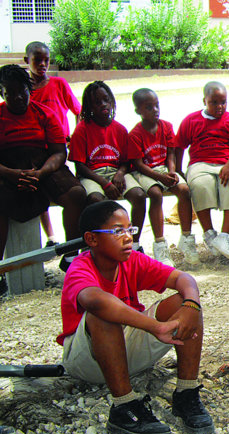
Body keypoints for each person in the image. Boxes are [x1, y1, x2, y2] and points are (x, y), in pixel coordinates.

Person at [58, 201, 213, 434]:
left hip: (123, 350)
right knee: (104, 312)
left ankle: (186, 393)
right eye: (117, 231)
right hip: (87, 360)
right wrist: (156, 327)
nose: (128, 238)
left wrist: (192, 304)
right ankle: (123, 406)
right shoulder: (80, 268)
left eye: (130, 230)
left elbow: (183, 278)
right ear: (91, 239)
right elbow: (95, 302)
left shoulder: (132, 261)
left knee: (185, 304)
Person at [0, 64, 86, 285]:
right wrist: (11, 174)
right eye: (10, 93)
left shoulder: (44, 113)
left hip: (43, 164)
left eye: (23, 91)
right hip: (6, 168)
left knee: (76, 193)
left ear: (30, 89)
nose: (18, 97)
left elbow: (59, 152)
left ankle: (70, 256)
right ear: (2, 92)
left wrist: (40, 173)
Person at [68, 81, 146, 264]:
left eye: (106, 100)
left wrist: (119, 174)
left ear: (111, 101)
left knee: (139, 195)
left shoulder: (119, 129)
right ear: (89, 106)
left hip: (116, 171)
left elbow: (126, 161)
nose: (103, 104)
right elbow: (80, 166)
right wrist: (105, 183)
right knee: (96, 200)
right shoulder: (82, 130)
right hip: (92, 173)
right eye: (97, 102)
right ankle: (102, 248)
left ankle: (133, 244)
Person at [175, 81, 229, 261]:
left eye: (223, 102)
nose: (219, 106)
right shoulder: (191, 120)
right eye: (214, 102)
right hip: (200, 163)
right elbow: (178, 146)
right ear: (204, 101)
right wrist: (178, 170)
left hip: (226, 163)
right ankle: (209, 234)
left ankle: (224, 237)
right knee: (201, 185)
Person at [128, 88, 198, 266]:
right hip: (146, 171)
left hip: (164, 168)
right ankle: (160, 245)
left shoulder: (166, 126)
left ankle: (186, 239)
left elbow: (171, 153)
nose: (155, 110)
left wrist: (172, 171)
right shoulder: (135, 134)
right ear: (138, 111)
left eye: (156, 105)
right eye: (149, 107)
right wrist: (160, 177)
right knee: (155, 194)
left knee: (184, 190)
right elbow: (138, 164)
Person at [25, 41, 82, 247]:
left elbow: (78, 111)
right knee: (38, 191)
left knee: (69, 187)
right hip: (35, 150)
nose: (42, 65)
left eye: (46, 60)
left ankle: (72, 247)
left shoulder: (58, 84)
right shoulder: (24, 90)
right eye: (37, 60)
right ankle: (50, 237)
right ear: (26, 61)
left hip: (58, 148)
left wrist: (75, 135)